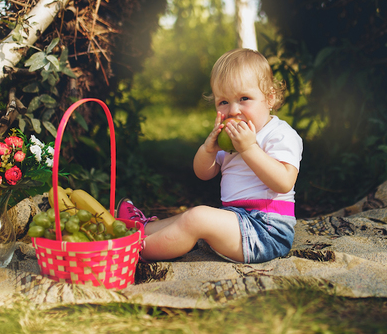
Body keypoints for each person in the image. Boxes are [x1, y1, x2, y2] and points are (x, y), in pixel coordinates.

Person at [118, 48, 303, 264]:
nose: (233, 110)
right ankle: (141, 228)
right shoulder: (230, 138)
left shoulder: (279, 134)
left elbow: (284, 182)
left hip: (267, 231)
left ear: (269, 98)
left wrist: (250, 149)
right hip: (236, 220)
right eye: (223, 102)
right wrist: (208, 150)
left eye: (244, 98)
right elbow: (204, 174)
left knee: (197, 218)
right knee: (187, 217)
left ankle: (133, 253)